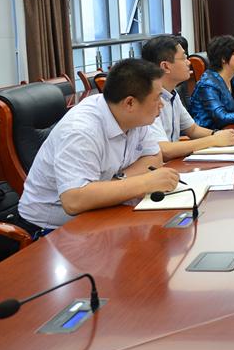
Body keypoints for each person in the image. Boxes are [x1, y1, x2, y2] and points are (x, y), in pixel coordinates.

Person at [16, 59, 181, 234]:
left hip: (104, 211)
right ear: (130, 103)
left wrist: (118, 181)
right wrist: (144, 182)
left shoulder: (134, 117)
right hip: (52, 229)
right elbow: (74, 200)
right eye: (157, 98)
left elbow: (154, 157)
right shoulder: (81, 130)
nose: (162, 104)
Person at [141, 35, 234, 160]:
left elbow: (192, 130)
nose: (189, 62)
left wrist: (217, 134)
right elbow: (164, 150)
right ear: (165, 66)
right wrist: (213, 140)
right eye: (184, 58)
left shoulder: (172, 93)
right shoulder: (147, 99)